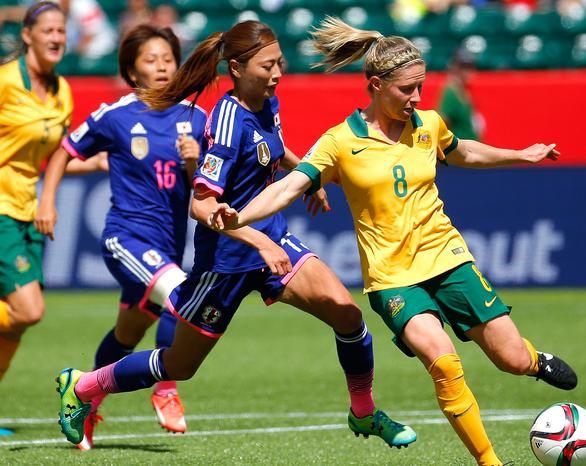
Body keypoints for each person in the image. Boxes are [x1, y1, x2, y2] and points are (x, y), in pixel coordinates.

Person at [211, 17, 578, 466]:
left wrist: (520, 154)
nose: (417, 98)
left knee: (512, 360)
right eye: (407, 90)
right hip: (393, 280)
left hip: (448, 260)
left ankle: (535, 361)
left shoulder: (428, 124)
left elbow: (462, 151)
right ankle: (489, 462)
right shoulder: (340, 142)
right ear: (376, 85)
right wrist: (237, 216)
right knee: (443, 363)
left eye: (420, 87)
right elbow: (287, 187)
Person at [54, 20, 416, 450]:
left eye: (279, 62)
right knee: (178, 365)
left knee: (347, 315)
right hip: (224, 263)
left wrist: (309, 176)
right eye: (267, 66)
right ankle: (84, 387)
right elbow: (202, 206)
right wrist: (259, 241)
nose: (277, 73)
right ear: (238, 68)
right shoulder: (225, 121)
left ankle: (364, 413)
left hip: (272, 242)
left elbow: (273, 150)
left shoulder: (268, 101)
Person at [40, 24, 206, 449]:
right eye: (151, 60)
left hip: (167, 247)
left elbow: (202, 190)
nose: (162, 66)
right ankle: (166, 387)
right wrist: (48, 202)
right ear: (132, 72)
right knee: (185, 297)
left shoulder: (196, 118)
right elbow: (64, 150)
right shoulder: (115, 116)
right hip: (126, 238)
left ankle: (83, 405)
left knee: (126, 337)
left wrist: (194, 162)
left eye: (168, 59)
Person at [0, 1, 71, 383]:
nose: (57, 38)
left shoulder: (63, 91)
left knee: (15, 325)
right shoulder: (5, 82)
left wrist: (47, 199)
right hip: (1, 209)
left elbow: (60, 151)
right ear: (27, 35)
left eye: (61, 31)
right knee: (28, 311)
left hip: (28, 211)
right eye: (48, 30)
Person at [438, 48, 485, 141]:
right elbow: (442, 123)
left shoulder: (464, 90)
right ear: (454, 67)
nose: (467, 71)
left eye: (470, 66)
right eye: (463, 67)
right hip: (459, 150)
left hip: (471, 149)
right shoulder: (450, 93)